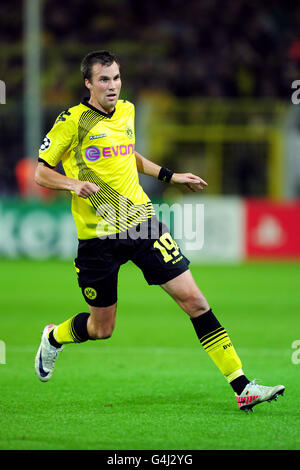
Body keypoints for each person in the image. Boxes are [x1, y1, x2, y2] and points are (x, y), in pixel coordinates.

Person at [34, 50, 285, 413]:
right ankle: (54, 336)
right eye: (104, 79)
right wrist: (72, 183)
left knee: (195, 301)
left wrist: (171, 175)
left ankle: (242, 386)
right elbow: (42, 172)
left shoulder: (128, 111)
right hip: (98, 239)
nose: (112, 86)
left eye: (116, 78)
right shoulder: (71, 121)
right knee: (102, 328)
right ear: (88, 83)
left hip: (142, 224)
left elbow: (128, 155)